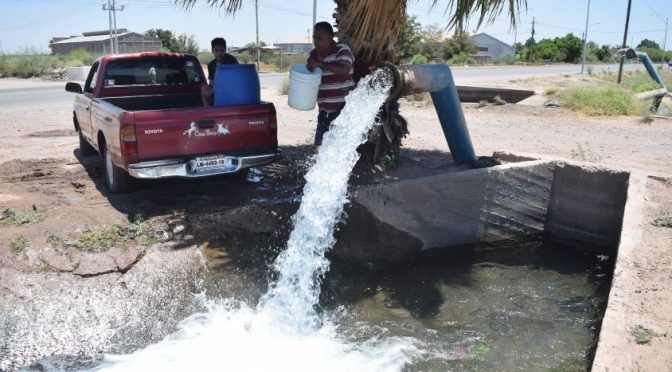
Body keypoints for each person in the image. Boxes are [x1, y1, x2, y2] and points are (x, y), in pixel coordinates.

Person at [306, 22, 355, 146]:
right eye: (314, 37)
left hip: (343, 109)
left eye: (319, 38)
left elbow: (344, 70)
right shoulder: (313, 54)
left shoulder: (342, 50)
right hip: (324, 110)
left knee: (339, 147)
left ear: (330, 38)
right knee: (320, 147)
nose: (316, 41)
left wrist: (320, 64)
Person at [201, 37, 238, 106]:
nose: (219, 53)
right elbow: (211, 80)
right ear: (212, 51)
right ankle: (208, 111)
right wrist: (214, 89)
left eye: (222, 50)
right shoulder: (211, 64)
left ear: (225, 50)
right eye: (216, 50)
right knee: (204, 89)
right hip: (217, 87)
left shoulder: (231, 60)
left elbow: (234, 80)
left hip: (230, 87)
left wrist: (218, 88)